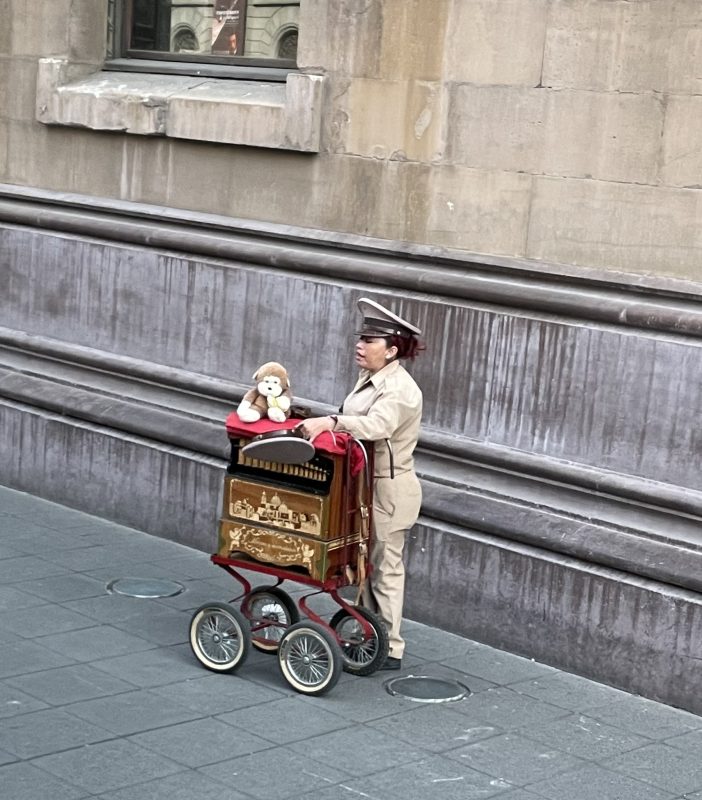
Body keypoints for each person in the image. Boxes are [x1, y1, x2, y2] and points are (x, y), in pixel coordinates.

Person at [298, 297, 424, 670]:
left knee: (385, 570)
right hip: (366, 488)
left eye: (371, 340)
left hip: (389, 490)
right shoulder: (372, 379)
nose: (360, 344)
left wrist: (332, 422)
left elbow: (378, 426)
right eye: (362, 337)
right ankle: (372, 635)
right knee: (366, 566)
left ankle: (391, 649)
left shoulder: (400, 389)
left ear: (392, 350)